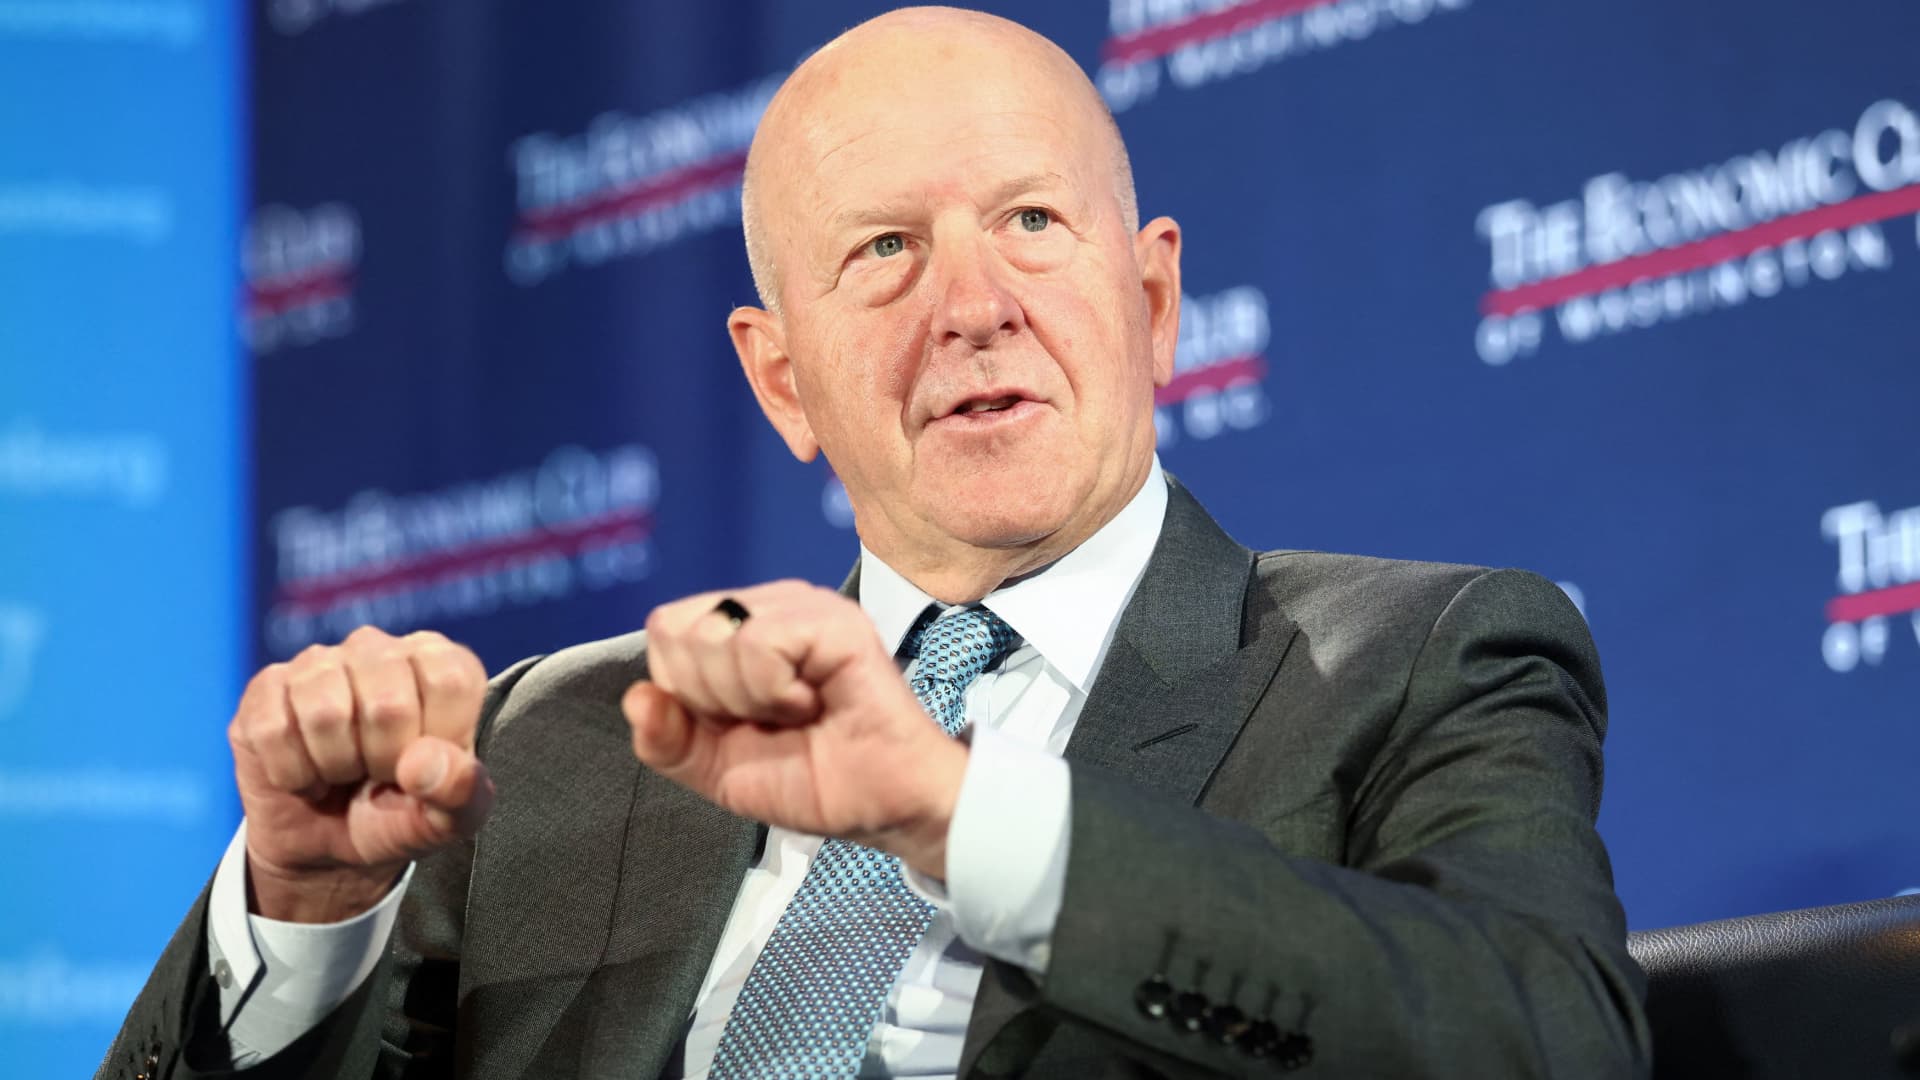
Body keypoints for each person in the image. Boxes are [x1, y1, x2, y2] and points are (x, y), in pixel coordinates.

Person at [100, 7, 1650, 1078]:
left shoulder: (1413, 662)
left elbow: (1550, 1043)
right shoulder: (557, 741)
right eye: (888, 248)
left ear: (1153, 300)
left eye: (1032, 221)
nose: (974, 304)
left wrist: (956, 814)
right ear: (782, 380)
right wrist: (303, 912)